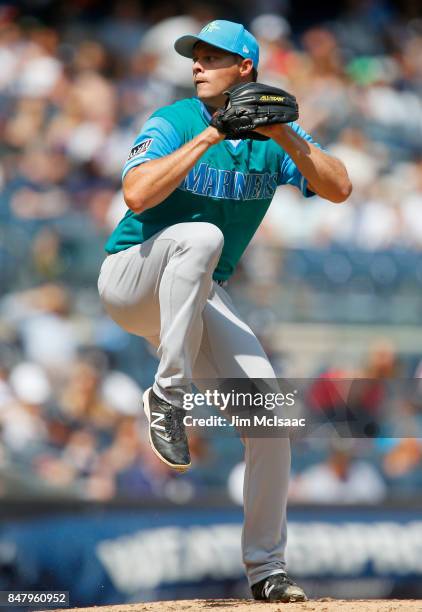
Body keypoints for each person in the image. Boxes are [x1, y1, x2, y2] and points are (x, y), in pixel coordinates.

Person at [98, 19, 352, 603]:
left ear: (245, 70)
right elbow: (136, 196)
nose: (196, 65)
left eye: (211, 57)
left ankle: (267, 570)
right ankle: (169, 395)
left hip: (193, 296)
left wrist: (286, 134)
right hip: (132, 276)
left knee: (270, 420)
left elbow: (339, 188)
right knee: (203, 237)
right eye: (195, 57)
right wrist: (212, 134)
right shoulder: (175, 119)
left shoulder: (271, 140)